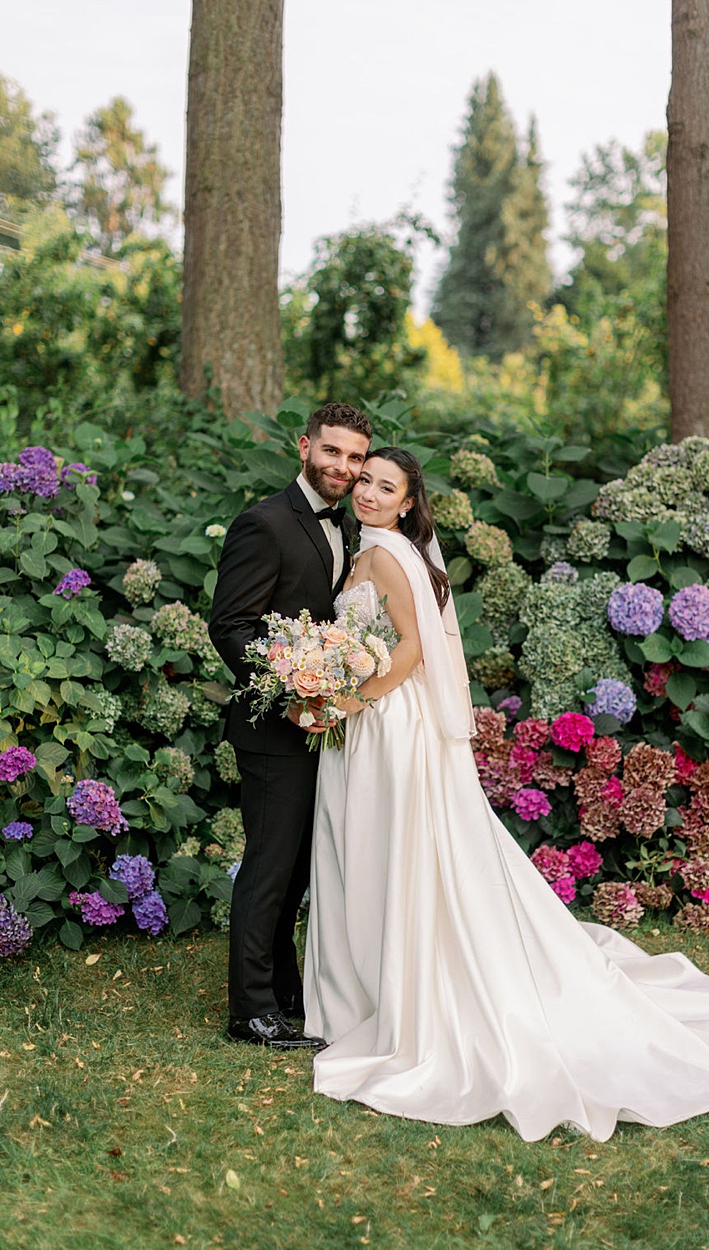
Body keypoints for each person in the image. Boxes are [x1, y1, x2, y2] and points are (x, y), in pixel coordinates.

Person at [302, 448, 709, 1142]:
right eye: (364, 480)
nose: (366, 492)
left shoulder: (388, 556)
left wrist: (345, 700)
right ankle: (369, 989)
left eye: (383, 486)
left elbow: (413, 650)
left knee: (383, 852)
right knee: (376, 852)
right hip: (379, 720)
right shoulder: (375, 549)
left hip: (386, 721)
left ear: (405, 502)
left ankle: (390, 999)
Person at [208, 401, 372, 1050]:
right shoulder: (265, 522)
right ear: (305, 446)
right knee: (269, 870)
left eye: (356, 456)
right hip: (274, 732)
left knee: (299, 872)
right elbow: (232, 626)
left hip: (318, 729)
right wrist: (290, 689)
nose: (344, 465)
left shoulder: (346, 527)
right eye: (333, 451)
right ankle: (249, 1010)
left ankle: (283, 990)